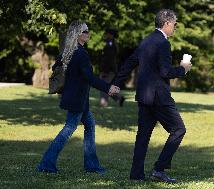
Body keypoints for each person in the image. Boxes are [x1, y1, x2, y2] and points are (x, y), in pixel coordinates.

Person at [111, 9, 192, 183]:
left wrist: (116, 83)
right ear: (167, 23)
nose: (175, 27)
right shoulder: (163, 43)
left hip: (144, 96)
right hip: (159, 97)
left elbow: (129, 63)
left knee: (143, 135)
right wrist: (183, 69)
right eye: (175, 24)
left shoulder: (146, 41)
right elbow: (165, 72)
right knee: (179, 129)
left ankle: (136, 174)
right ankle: (159, 169)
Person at [37, 20, 120, 174]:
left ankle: (91, 165)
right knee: (68, 129)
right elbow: (89, 77)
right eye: (85, 31)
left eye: (88, 31)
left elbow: (56, 68)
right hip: (77, 100)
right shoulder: (81, 54)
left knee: (89, 125)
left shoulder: (68, 52)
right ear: (77, 34)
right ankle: (46, 164)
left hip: (76, 98)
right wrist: (108, 88)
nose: (88, 34)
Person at [99, 29, 125, 107]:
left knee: (103, 86)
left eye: (107, 34)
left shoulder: (111, 45)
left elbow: (109, 59)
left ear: (111, 35)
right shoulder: (110, 44)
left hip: (109, 70)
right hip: (110, 70)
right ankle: (119, 98)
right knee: (108, 87)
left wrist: (105, 71)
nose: (105, 35)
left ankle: (103, 103)